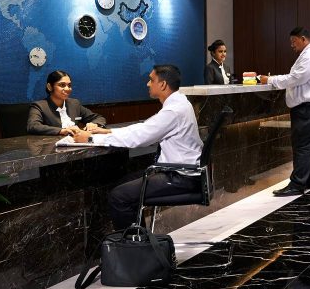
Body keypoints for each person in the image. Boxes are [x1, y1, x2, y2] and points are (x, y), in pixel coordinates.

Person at [71, 65, 203, 229]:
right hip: (181, 171)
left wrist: (91, 138)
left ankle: (135, 243)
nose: (148, 84)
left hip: (180, 177)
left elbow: (139, 136)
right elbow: (145, 128)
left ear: (162, 84)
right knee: (121, 184)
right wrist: (108, 131)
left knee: (119, 196)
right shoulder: (179, 103)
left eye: (151, 80)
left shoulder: (173, 111)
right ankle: (138, 238)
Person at [258, 27, 310, 196]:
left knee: (303, 146)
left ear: (303, 39)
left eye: (294, 41)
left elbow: (296, 78)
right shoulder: (308, 53)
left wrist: (270, 79)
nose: (291, 45)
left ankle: (297, 184)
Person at [27, 69, 107, 136]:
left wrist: (94, 124)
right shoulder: (39, 106)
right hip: (51, 147)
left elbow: (99, 118)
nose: (67, 89)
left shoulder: (74, 103)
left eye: (69, 85)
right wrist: (62, 131)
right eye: (62, 85)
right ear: (49, 87)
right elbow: (33, 126)